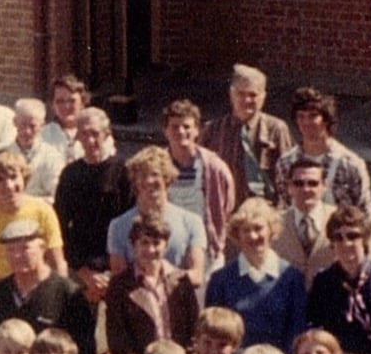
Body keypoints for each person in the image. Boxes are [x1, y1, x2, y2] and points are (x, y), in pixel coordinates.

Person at [0, 216, 95, 354]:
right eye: (11, 250)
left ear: (43, 248)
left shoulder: (68, 295)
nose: (17, 255)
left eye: (25, 248)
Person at [105, 217, 199, 354]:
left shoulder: (181, 282)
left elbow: (194, 334)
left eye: (156, 243)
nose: (150, 250)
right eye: (144, 243)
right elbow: (119, 343)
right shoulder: (120, 286)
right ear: (134, 246)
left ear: (166, 245)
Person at [204, 198, 307, 353]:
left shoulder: (291, 277)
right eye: (245, 230)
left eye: (258, 228)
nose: (252, 236)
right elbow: (214, 333)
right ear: (237, 234)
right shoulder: (221, 280)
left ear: (271, 230)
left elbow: (296, 331)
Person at [54, 106, 131, 307]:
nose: (90, 140)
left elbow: (131, 222)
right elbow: (60, 225)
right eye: (84, 134)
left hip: (118, 266)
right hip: (81, 268)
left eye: (95, 133)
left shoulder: (124, 172)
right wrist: (84, 273)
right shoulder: (70, 174)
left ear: (107, 134)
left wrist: (111, 272)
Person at [0, 148, 65, 288]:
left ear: (24, 177)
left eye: (13, 177)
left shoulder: (43, 211)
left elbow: (57, 264)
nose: (8, 186)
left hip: (38, 296)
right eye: (0, 179)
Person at [306, 205, 371, 354]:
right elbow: (317, 332)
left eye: (353, 236)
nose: (346, 243)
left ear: (365, 239)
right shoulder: (323, 282)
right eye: (338, 237)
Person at [108, 146, 206, 287]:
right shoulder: (118, 226)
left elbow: (197, 275)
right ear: (134, 181)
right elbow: (119, 280)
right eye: (142, 175)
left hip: (177, 301)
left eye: (155, 174)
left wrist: (161, 281)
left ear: (167, 178)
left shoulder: (192, 222)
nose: (148, 180)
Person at [201, 64, 293, 208]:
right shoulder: (212, 130)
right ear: (231, 94)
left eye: (253, 95)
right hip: (224, 209)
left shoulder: (276, 129)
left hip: (262, 212)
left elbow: (288, 175)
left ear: (263, 97)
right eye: (241, 94)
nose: (246, 100)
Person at [274, 86, 371, 218]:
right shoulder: (285, 163)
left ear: (326, 119)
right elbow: (284, 209)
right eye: (301, 116)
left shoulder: (350, 164)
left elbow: (364, 215)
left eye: (313, 116)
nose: (306, 122)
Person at [160, 99, 236, 267]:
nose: (181, 131)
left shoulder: (214, 167)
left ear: (197, 130)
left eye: (186, 126)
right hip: (166, 249)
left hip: (206, 249)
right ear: (165, 131)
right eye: (174, 126)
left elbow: (227, 206)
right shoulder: (158, 165)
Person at [273, 155, 337, 290]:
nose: (306, 189)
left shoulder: (338, 220)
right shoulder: (274, 223)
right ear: (289, 186)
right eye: (299, 183)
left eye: (313, 183)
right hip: (287, 304)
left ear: (324, 186)